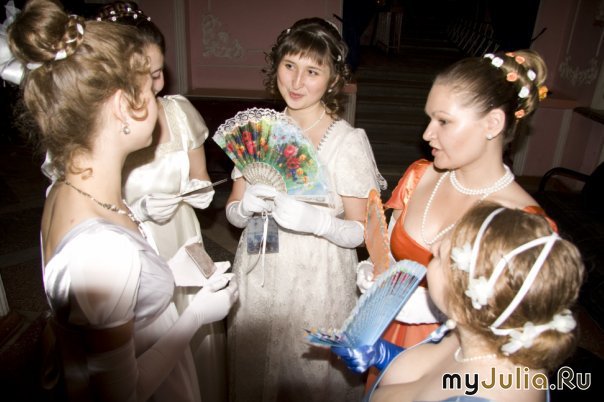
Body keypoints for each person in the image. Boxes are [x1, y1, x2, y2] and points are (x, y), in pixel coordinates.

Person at [7, 0, 238, 400]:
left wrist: (168, 272)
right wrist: (195, 315)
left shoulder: (71, 188)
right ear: (122, 106)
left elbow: (116, 297)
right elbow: (121, 393)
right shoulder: (102, 249)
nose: (157, 98)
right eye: (147, 88)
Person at [355, 49, 554, 388]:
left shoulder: (524, 224)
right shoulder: (420, 177)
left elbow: (514, 338)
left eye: (443, 121)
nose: (427, 134)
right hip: (387, 332)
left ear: (492, 124)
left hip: (454, 366)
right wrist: (376, 273)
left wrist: (438, 309)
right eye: (429, 119)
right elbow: (387, 253)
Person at [224, 17, 387, 402]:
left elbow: (363, 232)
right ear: (276, 66)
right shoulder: (259, 132)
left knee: (308, 376)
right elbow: (232, 208)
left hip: (317, 278)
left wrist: (319, 223)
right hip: (258, 268)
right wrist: (243, 208)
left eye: (312, 71)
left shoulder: (347, 142)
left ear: (333, 79)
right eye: (290, 66)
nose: (297, 82)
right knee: (255, 367)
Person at [95, 3, 227, 401]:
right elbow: (91, 210)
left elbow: (201, 179)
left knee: (196, 321)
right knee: (148, 342)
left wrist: (200, 192)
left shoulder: (180, 111)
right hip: (137, 245)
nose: (158, 84)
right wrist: (138, 210)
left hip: (184, 236)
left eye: (159, 72)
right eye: (148, 74)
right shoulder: (97, 129)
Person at [335, 202, 584, 401]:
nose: (435, 245)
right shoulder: (483, 334)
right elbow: (435, 374)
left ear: (465, 295)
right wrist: (382, 355)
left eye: (441, 255)